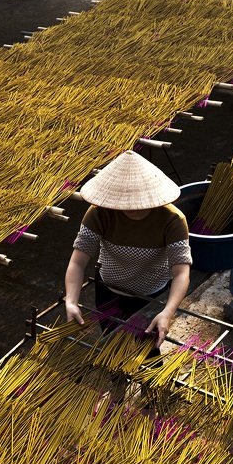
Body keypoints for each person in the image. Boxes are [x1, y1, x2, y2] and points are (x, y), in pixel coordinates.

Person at [64, 149, 192, 349]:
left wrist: (167, 312)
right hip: (109, 291)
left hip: (150, 295)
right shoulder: (99, 214)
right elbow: (77, 261)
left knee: (148, 349)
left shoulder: (173, 220)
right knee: (112, 346)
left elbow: (181, 273)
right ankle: (118, 381)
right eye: (125, 201)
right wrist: (71, 300)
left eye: (138, 201)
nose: (132, 207)